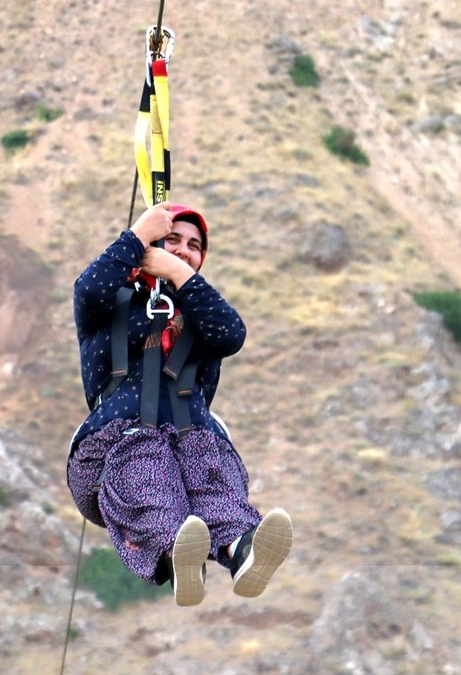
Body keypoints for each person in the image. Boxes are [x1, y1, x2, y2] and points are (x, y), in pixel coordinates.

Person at [67, 202, 293, 607]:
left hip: (188, 445)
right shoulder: (110, 305)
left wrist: (175, 271)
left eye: (194, 246)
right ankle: (175, 549)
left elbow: (231, 333)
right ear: (153, 245)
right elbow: (89, 287)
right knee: (145, 452)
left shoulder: (200, 317)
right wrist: (137, 237)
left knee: (208, 464)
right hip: (111, 450)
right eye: (174, 239)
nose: (185, 249)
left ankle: (240, 549)